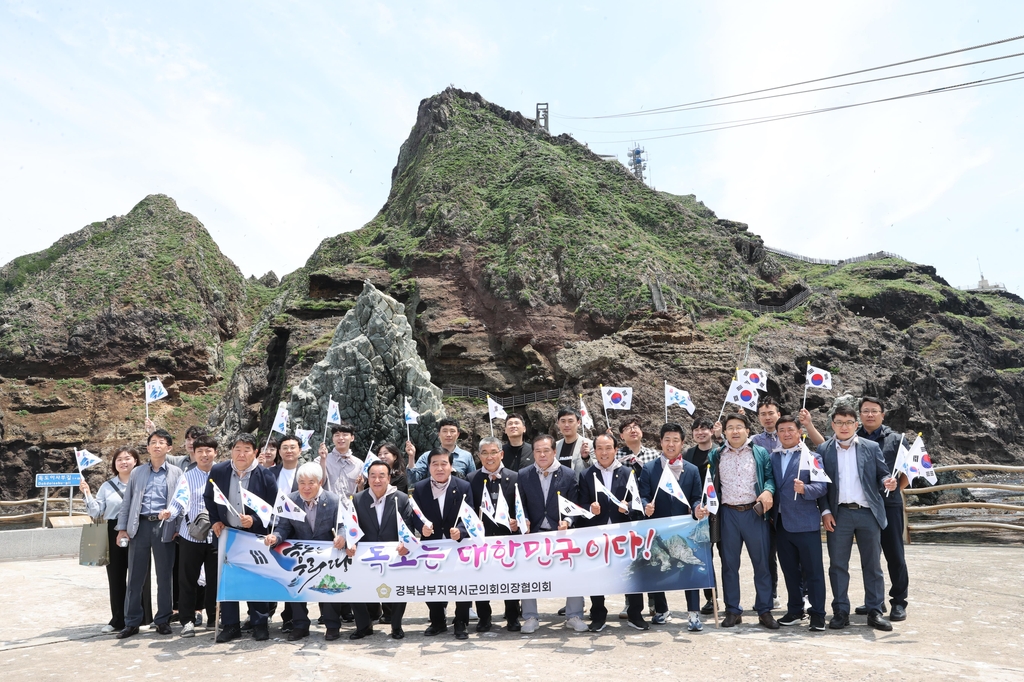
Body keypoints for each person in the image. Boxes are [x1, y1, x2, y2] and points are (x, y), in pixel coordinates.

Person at [814, 405, 898, 631]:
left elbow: (883, 474)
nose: (844, 426)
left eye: (848, 422)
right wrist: (825, 512)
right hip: (838, 514)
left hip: (868, 513)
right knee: (838, 565)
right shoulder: (823, 449)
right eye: (839, 422)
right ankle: (841, 611)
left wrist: (888, 481)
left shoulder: (870, 447)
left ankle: (874, 610)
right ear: (832, 424)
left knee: (872, 565)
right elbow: (820, 485)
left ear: (856, 425)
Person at [707, 412, 778, 629]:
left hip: (754, 514)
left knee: (762, 563)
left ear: (748, 430)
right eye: (730, 427)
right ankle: (732, 610)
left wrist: (768, 491)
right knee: (729, 565)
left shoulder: (760, 453)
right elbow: (710, 485)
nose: (735, 431)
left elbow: (770, 478)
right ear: (724, 431)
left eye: (739, 427)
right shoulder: (716, 455)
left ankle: (764, 610)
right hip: (728, 514)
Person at [206, 433, 279, 642]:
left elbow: (273, 510)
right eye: (237, 448)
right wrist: (215, 521)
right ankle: (230, 625)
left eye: (247, 449)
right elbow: (209, 498)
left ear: (255, 452)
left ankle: (259, 623)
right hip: (227, 534)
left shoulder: (265, 475)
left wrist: (255, 520)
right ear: (231, 450)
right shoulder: (219, 470)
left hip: (253, 536)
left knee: (256, 579)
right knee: (228, 580)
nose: (241, 453)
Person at [263, 462, 347, 641]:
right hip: (301, 555)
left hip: (327, 555)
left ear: (320, 482)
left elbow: (342, 526)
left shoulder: (333, 500)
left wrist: (342, 537)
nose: (306, 487)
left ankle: (332, 625)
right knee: (296, 588)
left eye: (311, 482)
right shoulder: (291, 500)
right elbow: (283, 528)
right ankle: (300, 625)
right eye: (302, 482)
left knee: (330, 588)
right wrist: (275, 537)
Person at [114, 429, 183, 639]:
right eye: (153, 442)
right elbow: (127, 502)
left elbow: (181, 501)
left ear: (169, 448)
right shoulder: (137, 472)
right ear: (148, 448)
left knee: (164, 576)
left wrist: (177, 527)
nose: (156, 446)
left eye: (161, 442)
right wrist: (122, 529)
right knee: (135, 576)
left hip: (164, 527)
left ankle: (162, 619)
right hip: (140, 527)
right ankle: (132, 622)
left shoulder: (176, 473)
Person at [517, 434, 588, 634]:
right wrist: (524, 520)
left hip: (562, 534)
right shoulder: (523, 474)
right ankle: (530, 616)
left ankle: (574, 615)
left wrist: (568, 521)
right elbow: (520, 504)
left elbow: (574, 505)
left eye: (546, 450)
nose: (541, 454)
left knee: (573, 572)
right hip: (535, 533)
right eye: (537, 451)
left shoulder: (568, 474)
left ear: (554, 451)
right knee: (528, 575)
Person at [347, 460, 425, 640]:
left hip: (394, 555)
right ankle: (363, 625)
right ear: (367, 478)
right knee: (356, 587)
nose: (377, 480)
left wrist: (406, 543)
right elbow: (351, 526)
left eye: (382, 476)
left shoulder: (401, 498)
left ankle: (396, 626)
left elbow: (408, 526)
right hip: (366, 556)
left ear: (389, 478)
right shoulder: (358, 499)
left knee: (398, 590)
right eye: (372, 476)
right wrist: (350, 542)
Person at [639, 424, 706, 631]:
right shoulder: (649, 468)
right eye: (667, 439)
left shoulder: (692, 470)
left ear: (682, 443)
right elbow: (642, 496)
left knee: (690, 566)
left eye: (675, 440)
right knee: (658, 565)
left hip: (684, 527)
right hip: (657, 527)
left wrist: (697, 509)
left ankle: (693, 612)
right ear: (660, 442)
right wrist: (645, 506)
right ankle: (661, 609)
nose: (671, 444)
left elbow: (696, 498)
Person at [579, 432, 647, 631]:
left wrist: (629, 507)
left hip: (623, 533)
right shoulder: (586, 474)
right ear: (594, 451)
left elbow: (638, 503)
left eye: (608, 448)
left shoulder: (628, 473)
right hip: (597, 534)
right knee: (597, 575)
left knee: (630, 573)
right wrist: (590, 509)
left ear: (616, 450)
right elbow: (581, 503)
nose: (604, 452)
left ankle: (635, 614)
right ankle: (598, 615)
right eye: (599, 448)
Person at [81, 447, 152, 633]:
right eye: (119, 459)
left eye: (127, 458)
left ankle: (143, 618)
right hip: (113, 532)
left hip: (138, 529)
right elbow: (96, 512)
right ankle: (118, 619)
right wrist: (87, 494)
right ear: (114, 464)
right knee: (116, 577)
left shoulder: (144, 482)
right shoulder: (107, 486)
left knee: (140, 576)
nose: (123, 462)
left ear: (136, 461)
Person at [769, 415, 828, 631]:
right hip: (782, 524)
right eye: (782, 430)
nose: (786, 433)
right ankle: (795, 609)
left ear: (798, 431)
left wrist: (805, 489)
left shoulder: (810, 457)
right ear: (777, 434)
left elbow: (822, 487)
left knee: (813, 571)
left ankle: (818, 614)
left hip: (806, 524)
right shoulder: (772, 458)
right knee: (790, 570)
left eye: (790, 429)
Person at [854, 396, 909, 622]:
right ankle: (874, 601)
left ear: (882, 415)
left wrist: (896, 490)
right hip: (864, 506)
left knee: (894, 554)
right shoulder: (853, 438)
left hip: (889, 505)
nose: (869, 414)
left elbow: (908, 471)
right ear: (860, 415)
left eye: (874, 411)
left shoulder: (896, 440)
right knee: (870, 557)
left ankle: (898, 601)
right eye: (865, 411)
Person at [412, 448, 475, 639]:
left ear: (451, 466)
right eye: (435, 464)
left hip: (457, 545)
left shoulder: (463, 487)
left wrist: (461, 531)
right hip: (431, 545)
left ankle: (461, 622)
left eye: (443, 463)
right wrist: (421, 527)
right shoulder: (420, 488)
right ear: (429, 466)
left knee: (461, 585)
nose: (439, 468)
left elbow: (469, 515)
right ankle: (438, 621)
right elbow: (414, 515)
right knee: (431, 584)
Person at [167, 434, 219, 638]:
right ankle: (187, 621)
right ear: (194, 454)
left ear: (215, 452)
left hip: (216, 535)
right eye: (200, 451)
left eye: (208, 451)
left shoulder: (223, 474)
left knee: (215, 579)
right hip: (191, 535)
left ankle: (214, 618)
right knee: (187, 580)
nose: (204, 455)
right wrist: (169, 512)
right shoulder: (187, 476)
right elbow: (179, 499)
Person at [469, 437, 522, 632]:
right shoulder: (471, 478)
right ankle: (484, 617)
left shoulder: (516, 477)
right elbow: (468, 510)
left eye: (493, 452)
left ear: (501, 454)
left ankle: (513, 616)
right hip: (482, 540)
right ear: (479, 455)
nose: (489, 457)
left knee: (510, 579)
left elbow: (521, 507)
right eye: (484, 453)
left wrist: (518, 521)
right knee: (482, 580)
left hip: (508, 538)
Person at [683, 416, 719, 615]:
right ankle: (710, 598)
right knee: (705, 556)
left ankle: (728, 598)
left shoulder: (720, 451)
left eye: (704, 428)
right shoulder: (688, 453)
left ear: (712, 431)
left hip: (719, 510)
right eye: (696, 429)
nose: (700, 432)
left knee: (726, 556)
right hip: (698, 511)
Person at [752, 397, 783, 608]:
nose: (767, 417)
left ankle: (804, 595)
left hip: (790, 502)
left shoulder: (789, 434)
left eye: (770, 413)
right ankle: (771, 594)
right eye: (763, 414)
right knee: (767, 552)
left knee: (795, 553)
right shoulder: (753, 440)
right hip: (765, 502)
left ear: (778, 414)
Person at [406, 418, 476, 485]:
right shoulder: (427, 456)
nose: (448, 435)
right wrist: (411, 457)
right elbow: (413, 480)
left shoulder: (467, 456)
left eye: (452, 431)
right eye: (445, 431)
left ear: (458, 434)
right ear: (439, 434)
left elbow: (473, 481)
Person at [316, 424, 364, 499]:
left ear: (352, 438)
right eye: (337, 435)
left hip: (350, 508)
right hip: (327, 507)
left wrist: (361, 486)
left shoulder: (359, 464)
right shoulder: (319, 460)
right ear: (332, 438)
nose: (341, 438)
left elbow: (360, 492)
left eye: (345, 435)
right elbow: (317, 483)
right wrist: (323, 460)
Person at [553, 407, 593, 474]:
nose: (566, 425)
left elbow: (597, 468)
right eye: (563, 421)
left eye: (570, 421)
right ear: (558, 423)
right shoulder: (555, 446)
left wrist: (586, 458)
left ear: (578, 423)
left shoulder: (589, 445)